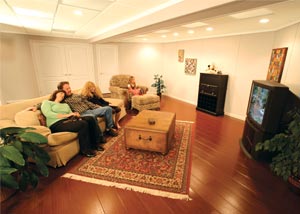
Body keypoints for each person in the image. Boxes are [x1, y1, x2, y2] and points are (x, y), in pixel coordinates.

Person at [41, 90, 105, 158]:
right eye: (61, 93)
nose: (62, 95)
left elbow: (70, 113)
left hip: (68, 120)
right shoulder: (47, 102)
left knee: (90, 119)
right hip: (56, 124)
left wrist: (75, 114)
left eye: (63, 95)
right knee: (82, 124)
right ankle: (85, 150)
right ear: (55, 94)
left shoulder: (65, 104)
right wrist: (66, 115)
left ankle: (95, 144)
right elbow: (48, 114)